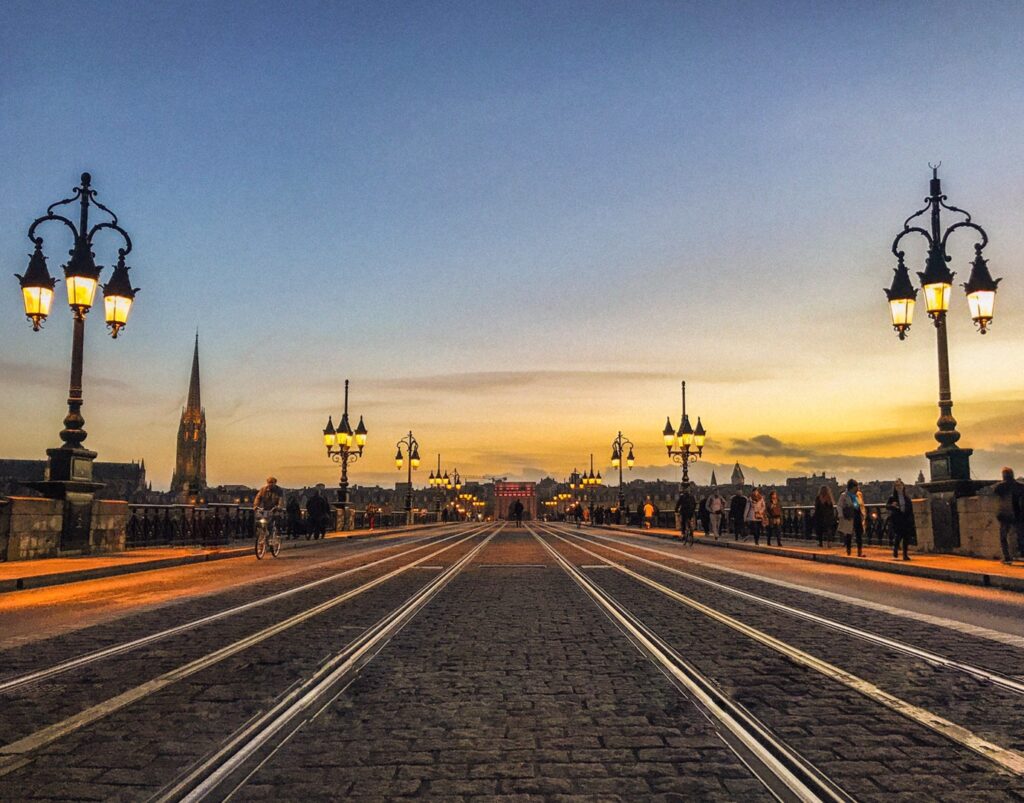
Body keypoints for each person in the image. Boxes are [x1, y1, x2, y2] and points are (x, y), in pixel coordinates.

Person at [994, 467, 1024, 564]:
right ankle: (1022, 553)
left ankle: (1006, 556)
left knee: (1003, 537)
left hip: (1005, 515)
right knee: (1020, 535)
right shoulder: (1020, 486)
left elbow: (995, 492)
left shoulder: (1000, 487)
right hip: (1017, 513)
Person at [886, 478, 916, 561]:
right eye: (897, 486)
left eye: (900, 485)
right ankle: (895, 548)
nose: (899, 487)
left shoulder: (906, 497)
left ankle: (905, 555)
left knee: (906, 537)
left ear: (903, 486)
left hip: (905, 519)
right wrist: (892, 505)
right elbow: (887, 506)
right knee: (899, 535)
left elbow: (910, 508)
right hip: (897, 519)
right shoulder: (892, 497)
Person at [838, 479, 866, 557]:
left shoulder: (859, 494)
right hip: (849, 516)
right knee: (849, 534)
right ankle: (849, 550)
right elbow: (839, 505)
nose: (857, 488)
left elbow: (861, 505)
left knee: (859, 533)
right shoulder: (844, 495)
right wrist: (841, 515)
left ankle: (859, 552)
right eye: (856, 486)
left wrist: (863, 514)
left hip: (857, 515)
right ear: (851, 487)